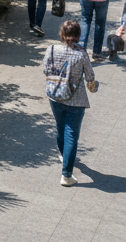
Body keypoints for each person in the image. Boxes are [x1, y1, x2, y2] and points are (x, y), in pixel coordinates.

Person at [43, 20, 97, 186]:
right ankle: (66, 174)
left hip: (55, 96)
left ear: (62, 34)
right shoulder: (82, 54)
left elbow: (46, 70)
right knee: (71, 135)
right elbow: (90, 78)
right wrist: (93, 88)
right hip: (76, 100)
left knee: (61, 129)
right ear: (78, 35)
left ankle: (63, 155)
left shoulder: (52, 49)